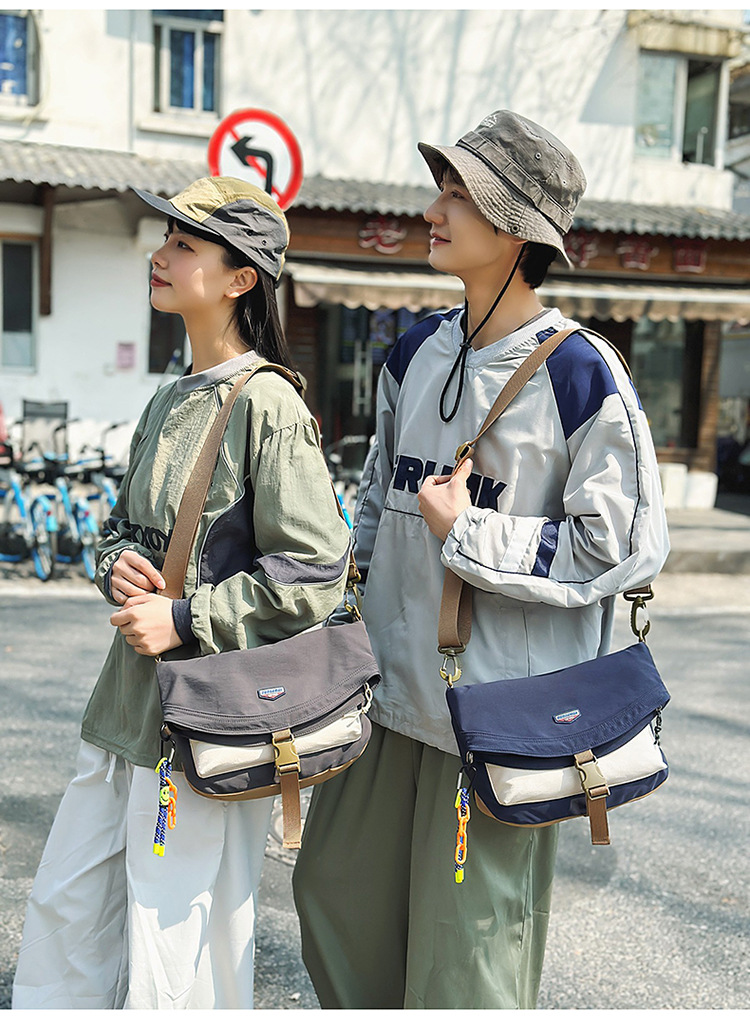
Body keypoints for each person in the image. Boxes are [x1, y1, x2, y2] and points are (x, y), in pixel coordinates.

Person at [292, 111, 670, 1009]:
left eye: (458, 195)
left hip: (499, 717)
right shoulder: (413, 351)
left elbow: (620, 544)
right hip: (388, 698)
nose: (433, 210)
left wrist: (468, 531)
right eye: (442, 190)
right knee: (335, 898)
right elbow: (380, 502)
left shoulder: (582, 374)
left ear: (515, 230)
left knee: (467, 961)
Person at [12, 177, 351, 1010]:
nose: (160, 255)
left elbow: (316, 567)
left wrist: (186, 615)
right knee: (66, 912)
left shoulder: (268, 404)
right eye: (165, 239)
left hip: (205, 721)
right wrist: (116, 566)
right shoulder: (169, 396)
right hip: (125, 708)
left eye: (184, 245)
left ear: (241, 278)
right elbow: (119, 529)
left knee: (180, 945)